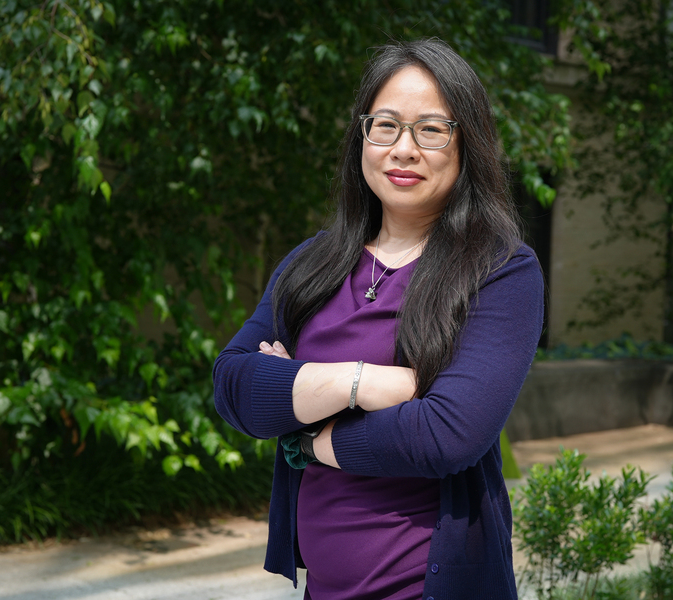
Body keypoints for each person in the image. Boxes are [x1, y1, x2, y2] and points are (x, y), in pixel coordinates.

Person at [214, 38, 543, 600]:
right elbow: (235, 387)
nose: (404, 149)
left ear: (469, 144)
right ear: (362, 137)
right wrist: (367, 382)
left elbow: (446, 435)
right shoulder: (312, 263)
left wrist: (306, 431)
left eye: (431, 129)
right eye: (385, 125)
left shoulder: (502, 270)